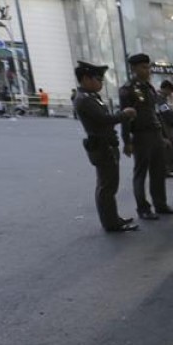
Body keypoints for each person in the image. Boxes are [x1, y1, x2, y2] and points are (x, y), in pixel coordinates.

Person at [73, 61, 139, 233]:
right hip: (102, 146)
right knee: (106, 186)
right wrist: (124, 114)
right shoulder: (85, 100)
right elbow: (105, 119)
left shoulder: (91, 96)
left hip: (106, 144)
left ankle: (112, 218)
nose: (100, 83)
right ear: (86, 79)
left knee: (109, 185)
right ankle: (111, 223)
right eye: (97, 79)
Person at [119, 53, 173, 220]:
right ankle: (143, 208)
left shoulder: (149, 88)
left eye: (148, 67)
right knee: (141, 173)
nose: (147, 70)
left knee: (158, 171)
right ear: (133, 68)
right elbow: (125, 117)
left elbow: (155, 114)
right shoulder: (127, 90)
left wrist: (162, 135)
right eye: (143, 67)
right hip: (140, 135)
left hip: (155, 134)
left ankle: (160, 204)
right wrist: (126, 141)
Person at [156, 79, 173, 177]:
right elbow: (165, 113)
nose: (171, 92)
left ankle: (171, 168)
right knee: (167, 148)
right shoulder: (160, 99)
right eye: (170, 90)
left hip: (167, 125)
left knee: (171, 148)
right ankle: (167, 169)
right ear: (165, 89)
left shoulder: (162, 99)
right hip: (165, 126)